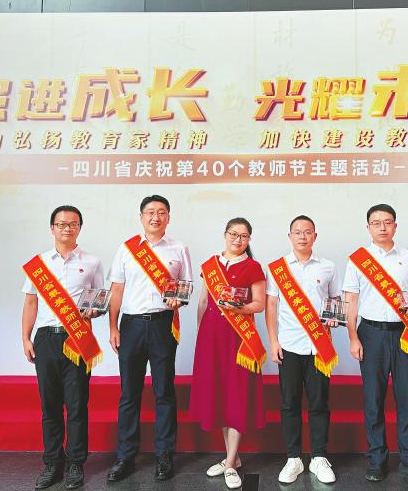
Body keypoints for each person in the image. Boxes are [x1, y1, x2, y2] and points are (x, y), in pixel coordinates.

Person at [105, 195, 193, 483]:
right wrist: (113, 327)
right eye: (150, 212)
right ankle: (125, 456)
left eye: (162, 212)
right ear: (141, 217)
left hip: (162, 325)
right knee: (129, 393)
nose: (156, 217)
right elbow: (117, 289)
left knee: (163, 391)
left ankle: (164, 454)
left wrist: (179, 300)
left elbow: (185, 286)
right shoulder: (127, 248)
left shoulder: (179, 249)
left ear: (169, 217)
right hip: (131, 325)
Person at [342, 203, 408, 484]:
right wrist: (353, 337)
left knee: (407, 398)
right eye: (376, 223)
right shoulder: (358, 259)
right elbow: (350, 302)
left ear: (395, 225)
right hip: (371, 334)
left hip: (404, 332)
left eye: (387, 222)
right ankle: (377, 458)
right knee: (373, 399)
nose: (382, 227)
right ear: (368, 227)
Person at [21, 205, 105, 491]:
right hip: (46, 339)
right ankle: (52, 463)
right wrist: (26, 338)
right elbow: (30, 303)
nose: (67, 228)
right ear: (52, 228)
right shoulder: (39, 264)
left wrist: (95, 311)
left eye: (73, 224)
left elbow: (98, 299)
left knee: (77, 404)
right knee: (50, 405)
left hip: (77, 338)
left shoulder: (92, 262)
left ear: (79, 228)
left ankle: (75, 464)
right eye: (61, 224)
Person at [190, 218, 267, 490]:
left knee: (236, 396)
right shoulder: (210, 265)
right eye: (234, 234)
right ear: (225, 234)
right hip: (211, 339)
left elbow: (259, 304)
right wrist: (201, 335)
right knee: (221, 396)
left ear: (249, 240)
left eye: (243, 236)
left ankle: (231, 462)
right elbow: (203, 302)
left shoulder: (253, 267)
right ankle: (232, 457)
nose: (238, 239)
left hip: (239, 340)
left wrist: (239, 309)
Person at [265, 215, 340, 484]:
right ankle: (293, 458)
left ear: (315, 236)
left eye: (307, 232)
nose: (302, 236)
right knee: (290, 403)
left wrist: (334, 316)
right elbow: (271, 306)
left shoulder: (329, 267)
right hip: (289, 345)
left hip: (319, 347)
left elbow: (335, 300)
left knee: (319, 403)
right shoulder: (277, 268)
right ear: (290, 236)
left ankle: (319, 457)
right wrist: (273, 342)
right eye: (297, 232)